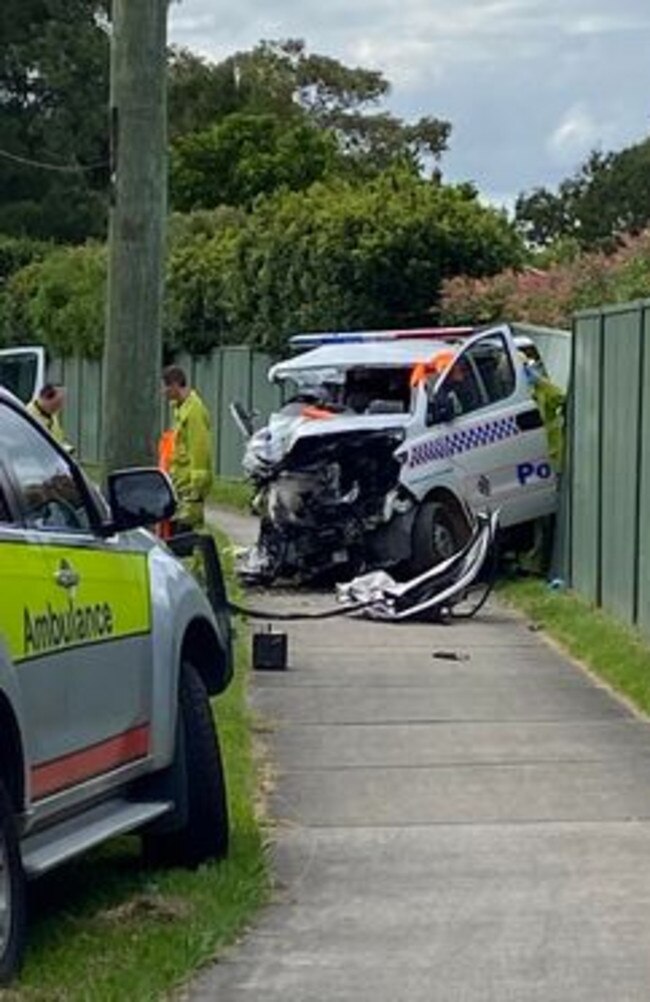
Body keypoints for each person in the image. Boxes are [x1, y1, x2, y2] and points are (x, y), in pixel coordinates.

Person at [161, 365, 213, 535]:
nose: (164, 391)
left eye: (166, 386)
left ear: (176, 385)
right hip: (180, 483)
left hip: (190, 487)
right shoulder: (180, 409)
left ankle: (197, 561)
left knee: (189, 535)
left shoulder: (193, 411)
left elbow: (200, 448)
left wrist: (196, 489)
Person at [27, 383, 73, 452]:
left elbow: (56, 437)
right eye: (58, 402)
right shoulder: (29, 415)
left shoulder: (51, 414)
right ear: (45, 397)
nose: (60, 406)